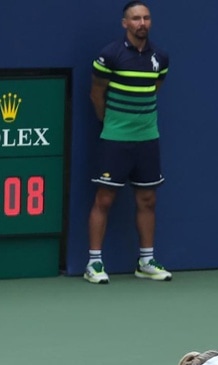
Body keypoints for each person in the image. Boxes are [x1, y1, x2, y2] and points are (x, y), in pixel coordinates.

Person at [85, 1, 173, 284]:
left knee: (147, 199)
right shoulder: (109, 55)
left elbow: (154, 89)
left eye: (146, 18)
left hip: (147, 139)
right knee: (104, 199)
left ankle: (146, 261)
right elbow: (97, 94)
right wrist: (108, 123)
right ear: (125, 23)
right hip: (115, 139)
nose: (142, 23)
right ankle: (94, 264)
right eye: (135, 18)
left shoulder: (160, 57)